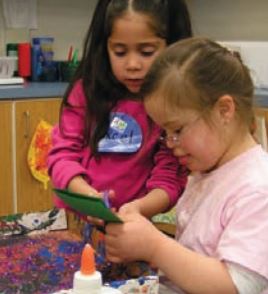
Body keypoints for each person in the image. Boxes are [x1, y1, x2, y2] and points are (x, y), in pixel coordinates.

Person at [105, 37, 268, 294]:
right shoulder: (206, 171)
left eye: (177, 129)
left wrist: (155, 247)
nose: (170, 143)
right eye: (165, 132)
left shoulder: (258, 188)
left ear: (224, 110)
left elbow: (234, 286)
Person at [47, 0, 192, 221]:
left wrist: (137, 210)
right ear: (104, 48)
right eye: (120, 52)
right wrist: (88, 199)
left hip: (132, 226)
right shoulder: (85, 92)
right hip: (73, 221)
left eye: (146, 52)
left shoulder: (170, 105)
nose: (132, 64)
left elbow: (169, 177)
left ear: (171, 47)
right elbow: (62, 157)